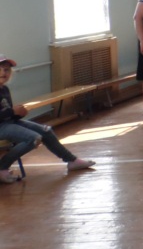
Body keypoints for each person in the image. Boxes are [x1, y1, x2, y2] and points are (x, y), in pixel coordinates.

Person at [0, 54, 95, 183]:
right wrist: (12, 111)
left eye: (6, 70)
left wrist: (19, 113)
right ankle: (2, 167)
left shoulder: (4, 89)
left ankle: (71, 160)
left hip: (9, 122)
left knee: (46, 131)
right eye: (0, 69)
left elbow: (7, 113)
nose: (3, 73)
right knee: (33, 138)